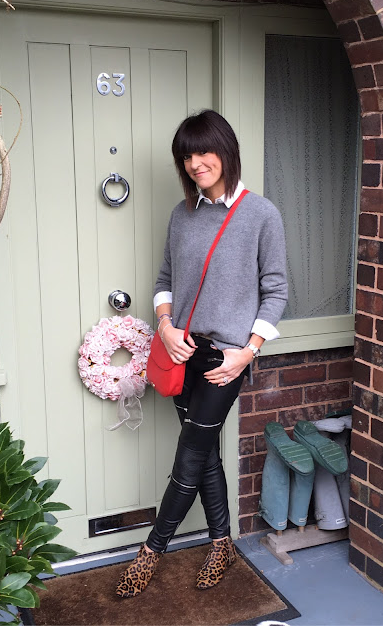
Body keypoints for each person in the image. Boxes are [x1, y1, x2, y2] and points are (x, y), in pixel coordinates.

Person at [116, 109, 288, 598]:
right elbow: (165, 280)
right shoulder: (181, 214)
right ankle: (221, 543)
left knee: (190, 451)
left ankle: (151, 552)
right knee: (205, 450)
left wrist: (248, 353)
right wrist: (166, 326)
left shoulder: (261, 214)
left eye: (204, 151)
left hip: (225, 358)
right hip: (182, 350)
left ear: (226, 151)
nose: (195, 163)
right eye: (186, 156)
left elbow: (276, 291)